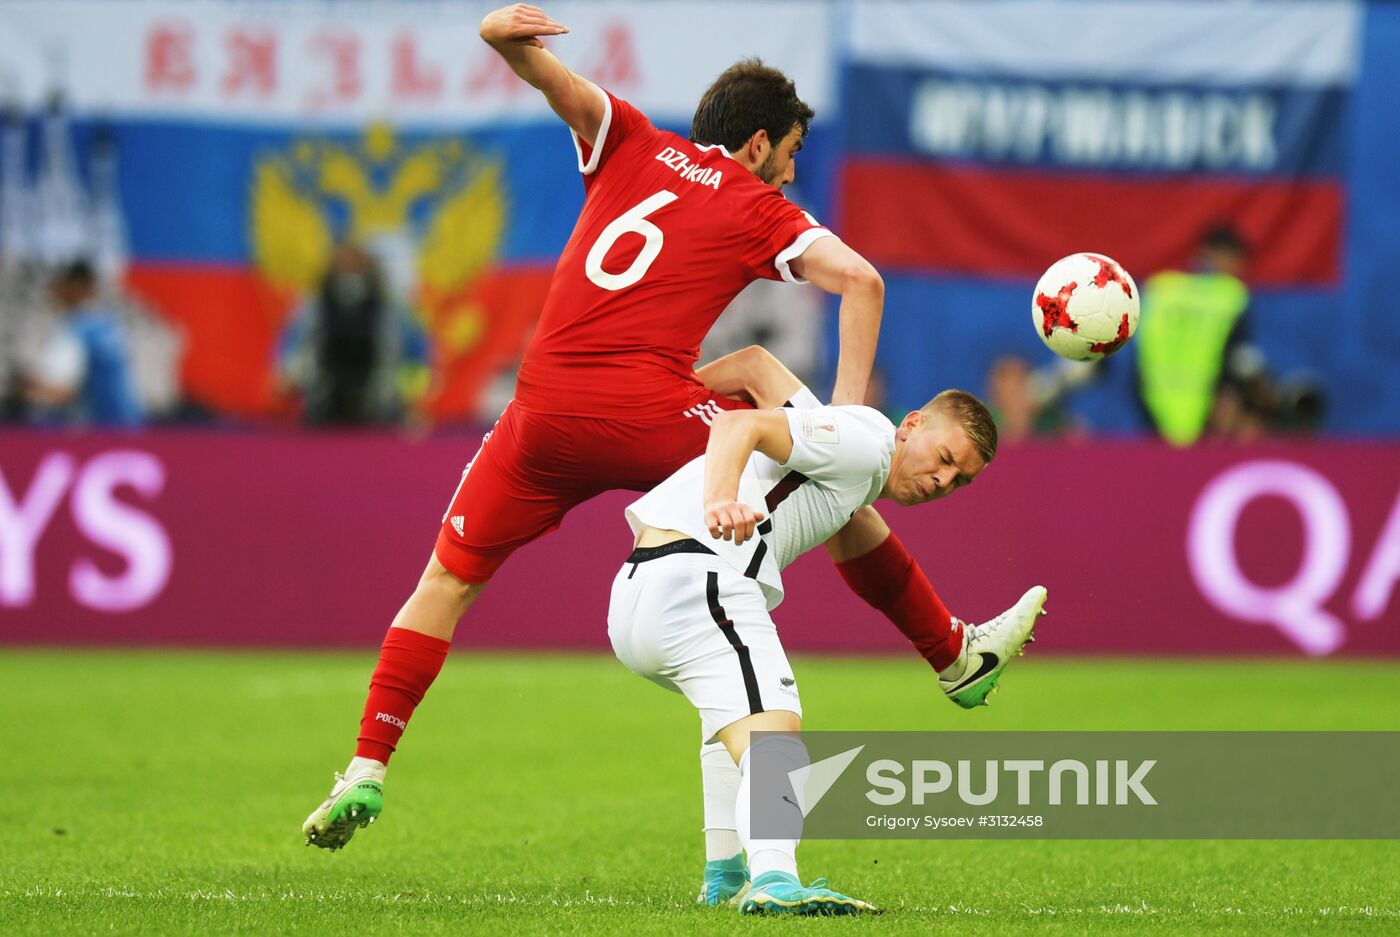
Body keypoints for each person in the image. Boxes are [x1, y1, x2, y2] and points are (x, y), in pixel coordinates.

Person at [303, 3, 1031, 853]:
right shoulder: (753, 205)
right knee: (825, 471)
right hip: (643, 414)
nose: (791, 177)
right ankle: (951, 653)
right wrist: (841, 421)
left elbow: (563, 88)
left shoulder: (633, 142)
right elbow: (862, 280)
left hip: (538, 410)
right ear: (758, 144)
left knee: (444, 583)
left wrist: (504, 41)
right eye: (791, 155)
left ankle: (365, 766)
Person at [608, 361, 1046, 913]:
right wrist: (720, 495)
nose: (942, 481)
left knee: (733, 722)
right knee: (775, 732)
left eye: (960, 479)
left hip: (639, 594)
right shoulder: (865, 443)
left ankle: (724, 875)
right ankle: (774, 879)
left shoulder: (847, 460)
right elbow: (735, 428)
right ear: (910, 424)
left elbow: (754, 364)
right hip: (701, 578)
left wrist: (663, 396)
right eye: (944, 459)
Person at [1134, 225, 1250, 445]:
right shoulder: (1231, 296)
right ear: (1211, 254)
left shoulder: (1159, 289)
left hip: (1153, 402)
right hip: (1207, 411)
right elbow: (1236, 359)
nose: (1238, 269)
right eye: (1234, 260)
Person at [23, 259, 142, 428]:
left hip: (94, 436)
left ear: (74, 287)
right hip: (129, 427)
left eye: (59, 284)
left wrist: (24, 390)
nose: (53, 290)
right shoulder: (111, 326)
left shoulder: (74, 331)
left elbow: (62, 392)